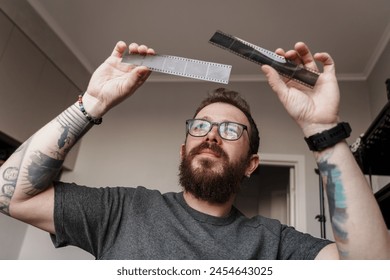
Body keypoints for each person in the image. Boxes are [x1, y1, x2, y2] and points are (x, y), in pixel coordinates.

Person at [0, 41, 389, 260]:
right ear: (183, 148)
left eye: (231, 130)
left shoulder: (276, 245)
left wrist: (322, 129)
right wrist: (92, 104)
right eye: (200, 126)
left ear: (252, 164)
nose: (212, 136)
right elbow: (9, 194)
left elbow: (372, 268)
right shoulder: (122, 211)